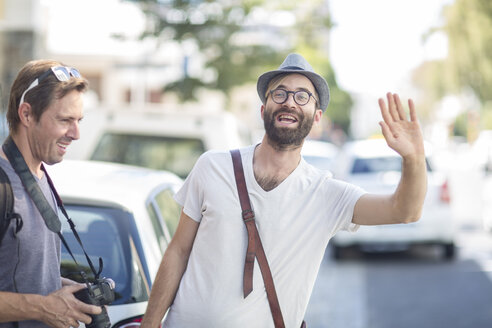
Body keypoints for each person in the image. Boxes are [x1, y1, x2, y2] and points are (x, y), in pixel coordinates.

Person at [141, 53, 427, 328]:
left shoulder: (326, 194)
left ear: (316, 118)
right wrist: (150, 323)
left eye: (302, 96)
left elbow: (405, 211)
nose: (290, 102)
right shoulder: (212, 166)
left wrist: (413, 159)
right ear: (264, 109)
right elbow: (178, 251)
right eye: (280, 93)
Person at [0, 60, 102, 328]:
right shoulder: (2, 186)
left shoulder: (42, 176)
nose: (76, 134)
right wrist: (43, 307)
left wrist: (55, 287)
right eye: (65, 120)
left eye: (79, 120)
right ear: (26, 114)